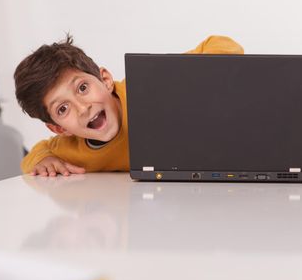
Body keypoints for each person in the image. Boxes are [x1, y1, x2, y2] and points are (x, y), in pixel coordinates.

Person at [14, 34, 244, 176]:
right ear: (59, 128)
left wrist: (192, 78)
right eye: (62, 109)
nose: (83, 108)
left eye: (82, 88)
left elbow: (223, 44)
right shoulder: (71, 150)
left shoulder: (146, 90)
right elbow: (35, 155)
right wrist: (43, 161)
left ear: (105, 80)